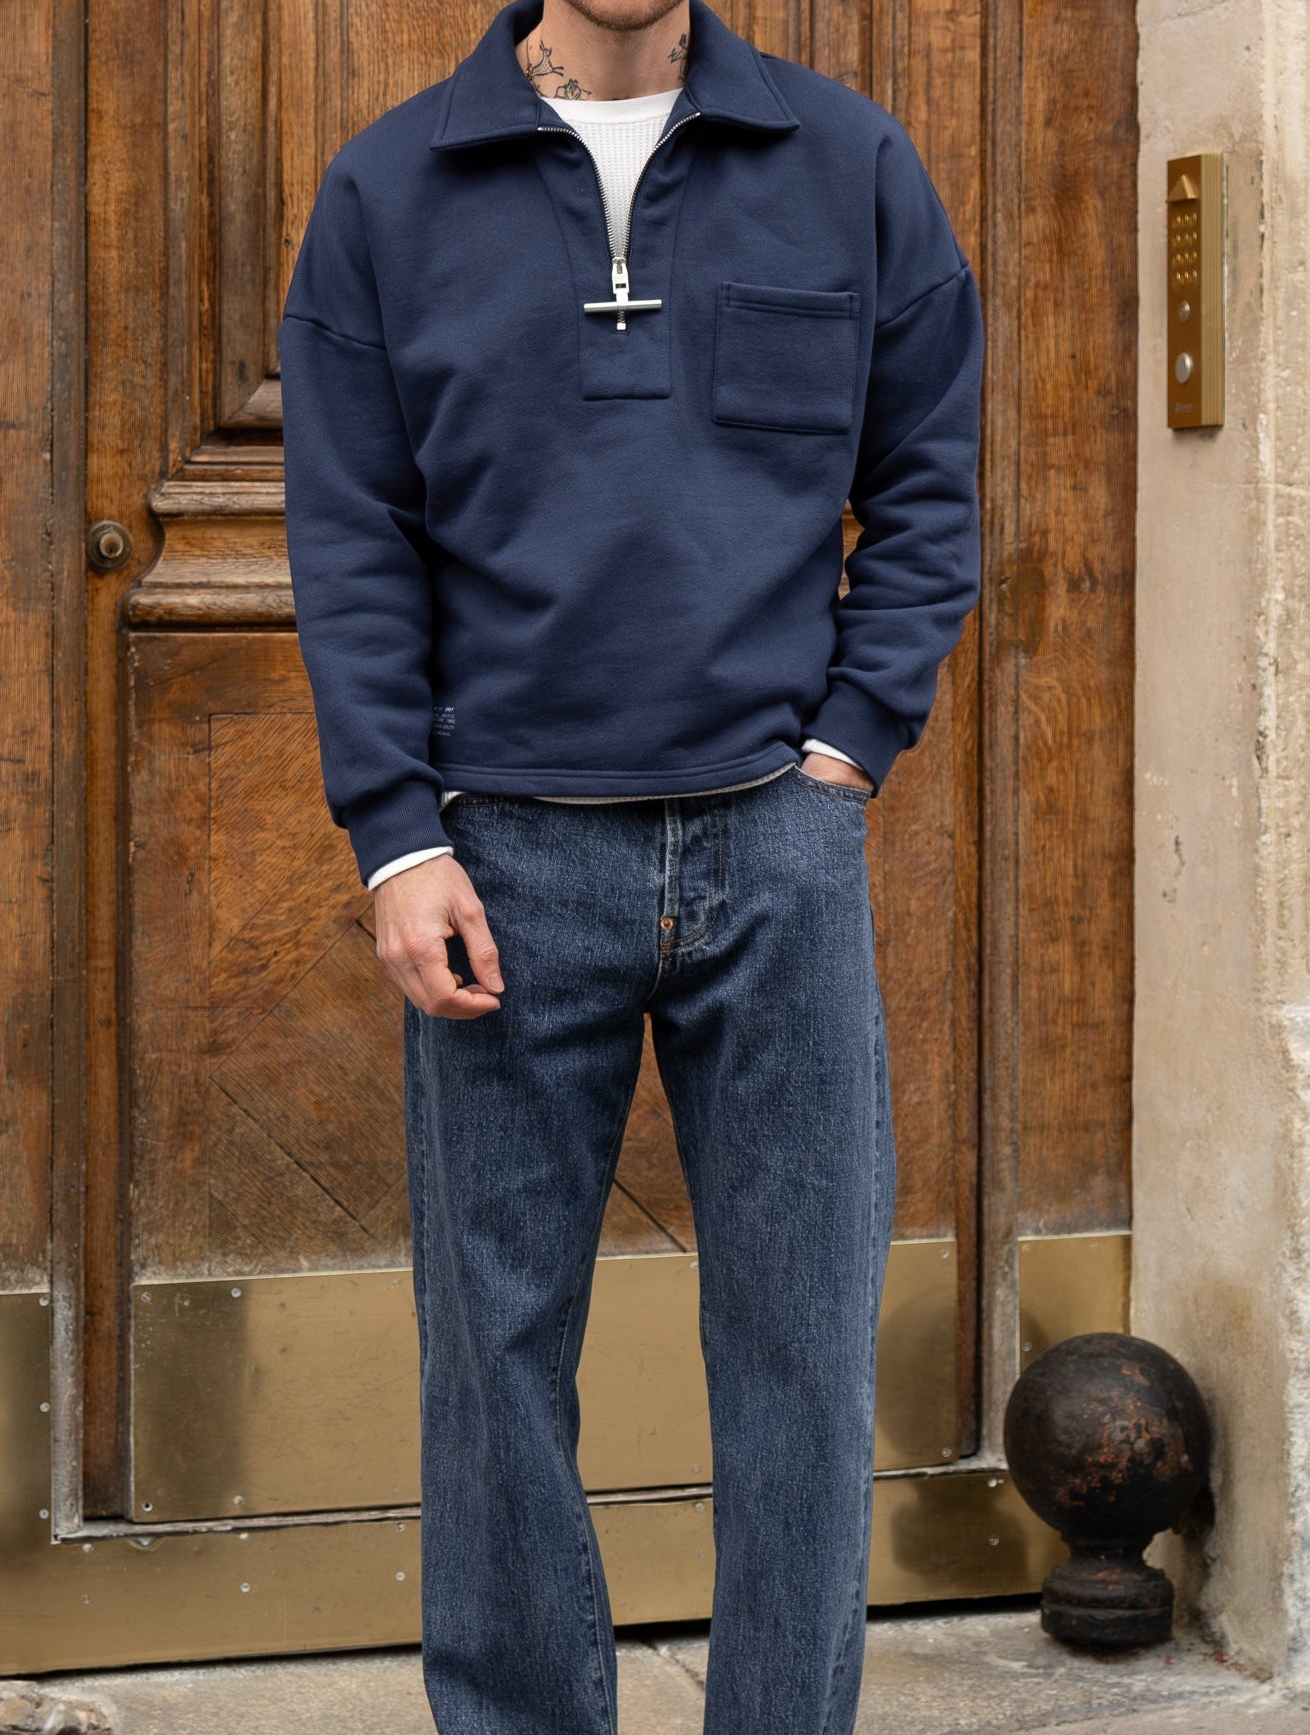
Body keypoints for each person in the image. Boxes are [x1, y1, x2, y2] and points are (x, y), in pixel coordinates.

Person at [278, 0, 983, 1727]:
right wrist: (397, 835)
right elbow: (351, 532)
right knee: (495, 1369)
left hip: (776, 845)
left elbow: (929, 479)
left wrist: (846, 753)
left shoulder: (848, 163)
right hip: (502, 860)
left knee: (805, 1359)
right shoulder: (389, 188)